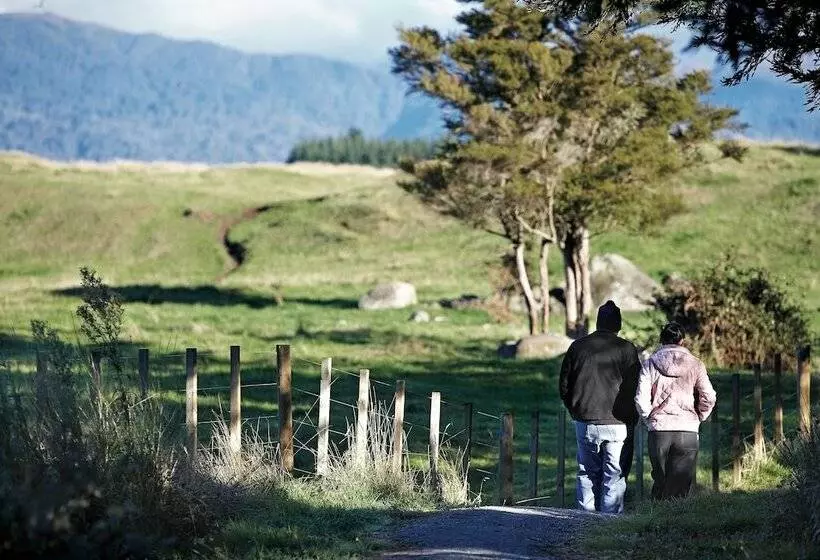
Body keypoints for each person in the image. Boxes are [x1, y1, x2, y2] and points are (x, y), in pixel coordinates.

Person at [559, 300, 640, 514]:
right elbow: (635, 386)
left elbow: (564, 383)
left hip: (585, 419)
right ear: (618, 324)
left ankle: (584, 520)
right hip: (617, 422)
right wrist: (630, 416)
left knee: (586, 471)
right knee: (614, 473)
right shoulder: (626, 349)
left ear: (597, 323)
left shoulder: (578, 347)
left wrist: (574, 409)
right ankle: (610, 521)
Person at [635, 322, 716, 500]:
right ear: (682, 341)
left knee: (661, 484)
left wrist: (649, 418)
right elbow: (709, 396)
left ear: (661, 340)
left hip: (659, 431)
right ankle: (675, 524)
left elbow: (641, 398)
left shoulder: (650, 364)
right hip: (687, 430)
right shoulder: (696, 364)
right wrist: (699, 416)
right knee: (680, 489)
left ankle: (654, 523)